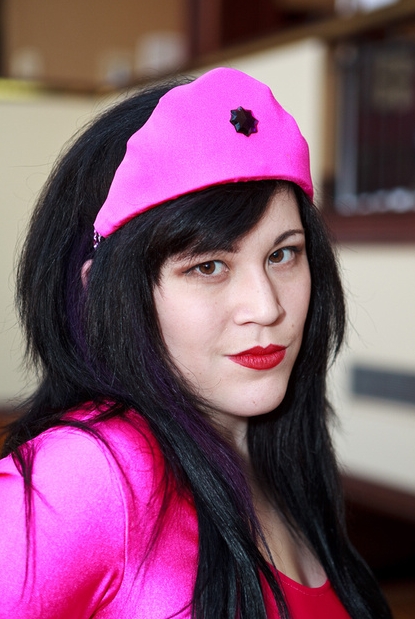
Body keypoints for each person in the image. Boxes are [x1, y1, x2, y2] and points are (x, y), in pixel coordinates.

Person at [0, 67, 391, 619]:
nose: (266, 307)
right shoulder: (90, 473)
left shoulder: (282, 460)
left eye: (282, 254)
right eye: (208, 266)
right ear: (104, 294)